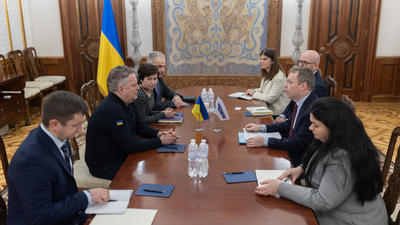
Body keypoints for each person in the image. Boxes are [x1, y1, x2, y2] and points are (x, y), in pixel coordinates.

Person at [255, 98, 387, 225]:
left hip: (353, 220)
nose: (310, 128)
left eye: (315, 125)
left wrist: (280, 187)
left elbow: (322, 200)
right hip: (342, 213)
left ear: (333, 127)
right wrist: (301, 169)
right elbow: (320, 161)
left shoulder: (341, 158)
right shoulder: (333, 139)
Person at [7, 91, 110, 225]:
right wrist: (86, 197)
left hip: (66, 214)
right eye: (75, 125)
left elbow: (63, 191)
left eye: (82, 124)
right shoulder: (31, 161)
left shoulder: (60, 136)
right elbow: (41, 218)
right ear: (54, 124)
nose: (81, 130)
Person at [85, 66, 178, 180]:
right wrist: (161, 141)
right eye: (133, 85)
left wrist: (159, 133)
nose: (138, 88)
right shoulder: (113, 109)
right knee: (150, 176)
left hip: (121, 155)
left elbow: (140, 126)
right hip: (106, 165)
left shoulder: (128, 100)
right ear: (121, 89)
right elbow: (130, 146)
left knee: (157, 167)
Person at [245, 66, 318, 166]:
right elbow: (288, 124)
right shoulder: (300, 101)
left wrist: (265, 141)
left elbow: (296, 143)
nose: (285, 86)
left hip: (300, 161)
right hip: (292, 151)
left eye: (289, 82)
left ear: (303, 86)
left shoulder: (312, 110)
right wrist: (261, 127)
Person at [274, 50, 328, 123]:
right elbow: (293, 102)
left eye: (304, 62)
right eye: (300, 61)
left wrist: (285, 120)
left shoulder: (318, 86)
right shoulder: (302, 77)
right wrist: (283, 115)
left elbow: (304, 113)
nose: (300, 65)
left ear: (315, 66)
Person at [244, 48, 289, 115]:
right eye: (261, 59)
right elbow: (264, 89)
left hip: (277, 113)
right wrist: (253, 90)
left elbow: (271, 98)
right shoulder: (266, 73)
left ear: (273, 61)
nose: (262, 61)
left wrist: (254, 93)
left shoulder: (279, 77)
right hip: (267, 109)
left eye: (265, 59)